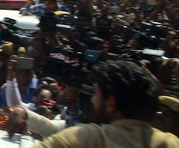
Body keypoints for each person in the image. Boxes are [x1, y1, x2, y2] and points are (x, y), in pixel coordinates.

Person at [35, 60, 179, 147]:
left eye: (96, 94)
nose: (92, 100)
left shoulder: (88, 137)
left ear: (110, 104)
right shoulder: (170, 143)